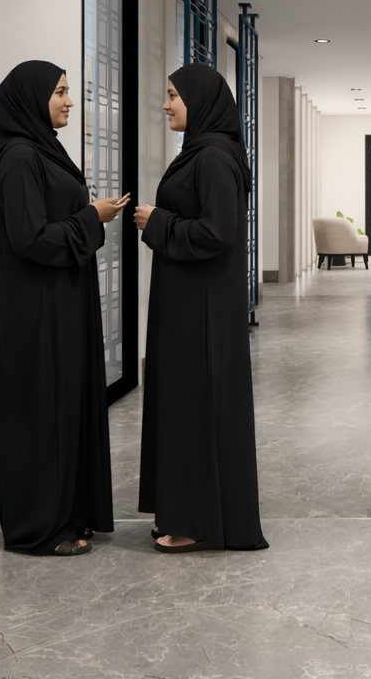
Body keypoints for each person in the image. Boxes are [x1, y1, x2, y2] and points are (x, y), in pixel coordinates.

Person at [0, 60, 130, 557]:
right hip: (37, 311)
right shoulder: (20, 157)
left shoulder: (42, 150)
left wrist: (87, 216)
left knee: (62, 407)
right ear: (31, 98)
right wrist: (92, 216)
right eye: (61, 92)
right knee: (40, 412)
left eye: (69, 92)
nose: (69, 101)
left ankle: (64, 516)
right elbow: (29, 238)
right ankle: (36, 528)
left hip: (58, 303)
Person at [132, 64, 268, 554]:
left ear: (201, 100)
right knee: (182, 406)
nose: (166, 104)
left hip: (200, 310)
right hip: (191, 302)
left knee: (194, 407)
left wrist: (158, 221)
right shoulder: (204, 152)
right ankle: (185, 509)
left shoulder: (212, 157)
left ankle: (195, 521)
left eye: (173, 96)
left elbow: (217, 233)